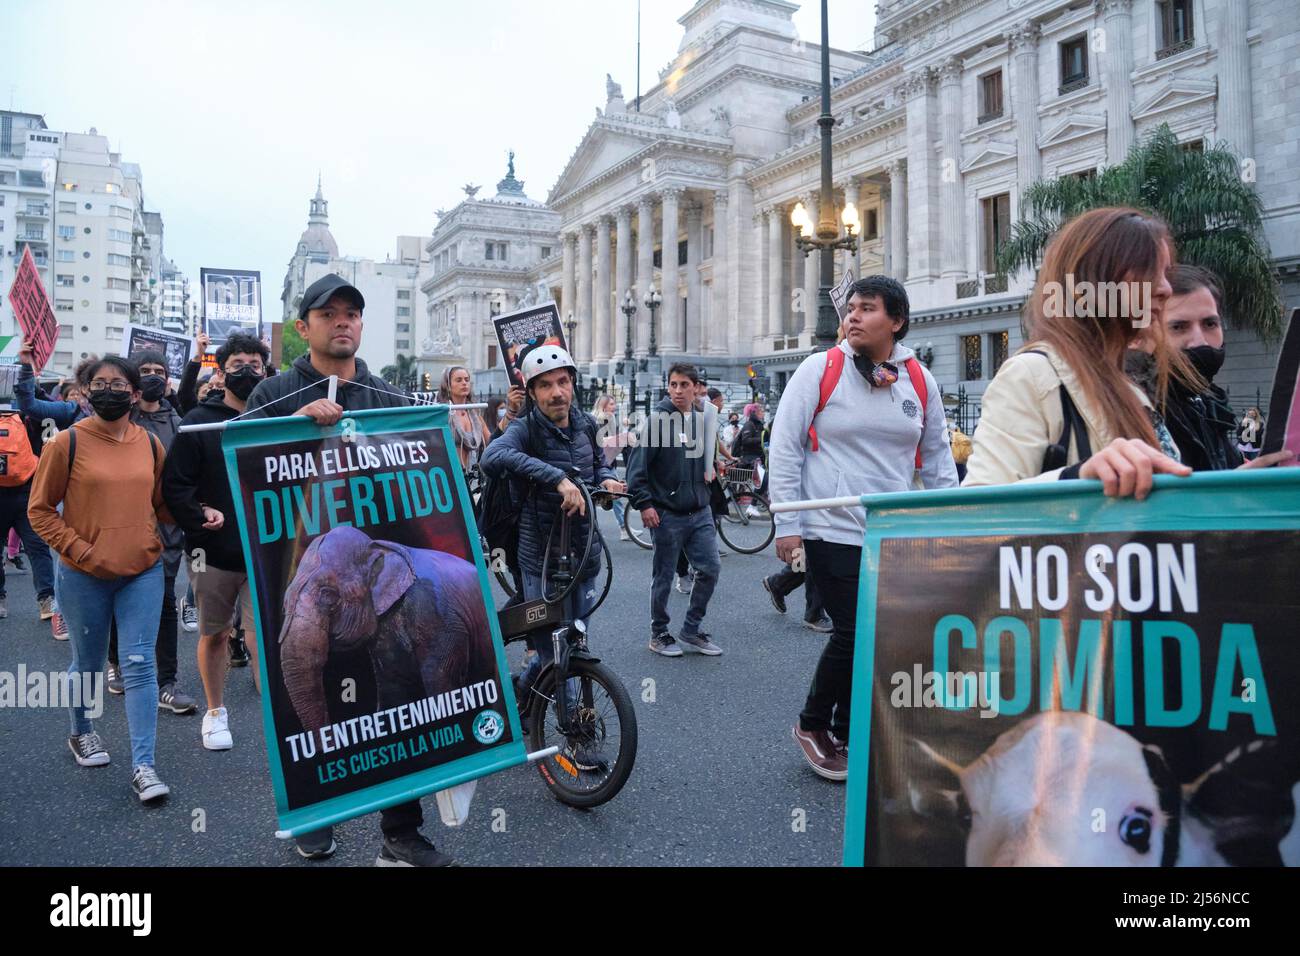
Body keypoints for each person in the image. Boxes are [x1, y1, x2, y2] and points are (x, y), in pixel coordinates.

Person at [243, 272, 451, 867]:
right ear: (303, 327)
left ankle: (401, 830)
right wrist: (288, 430)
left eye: (352, 313)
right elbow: (241, 464)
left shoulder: (384, 394)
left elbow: (416, 477)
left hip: (377, 576)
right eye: (328, 313)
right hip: (305, 580)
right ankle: (317, 812)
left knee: (400, 699)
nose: (343, 321)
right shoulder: (275, 394)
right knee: (307, 695)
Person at [769, 275, 958, 781]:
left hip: (891, 531)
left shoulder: (920, 380)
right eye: (849, 308)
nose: (851, 316)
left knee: (879, 636)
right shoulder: (820, 369)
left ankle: (851, 730)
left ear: (896, 321)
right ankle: (812, 725)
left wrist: (955, 524)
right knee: (854, 632)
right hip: (830, 526)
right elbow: (785, 446)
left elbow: (937, 458)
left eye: (867, 308)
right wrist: (786, 523)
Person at [964, 207, 1205, 494]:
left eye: (1166, 273)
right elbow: (982, 509)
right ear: (1097, 278)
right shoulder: (1032, 375)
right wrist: (1077, 478)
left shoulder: (1131, 387)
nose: (1165, 289)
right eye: (1149, 270)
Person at [28, 356, 173, 803]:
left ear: (134, 393)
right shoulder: (66, 444)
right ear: (87, 391)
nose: (109, 390)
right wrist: (81, 550)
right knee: (88, 665)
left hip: (142, 572)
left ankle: (144, 766)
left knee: (139, 663)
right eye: (99, 383)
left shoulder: (150, 445)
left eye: (119, 383)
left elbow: (163, 505)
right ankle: (81, 732)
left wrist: (201, 513)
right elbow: (38, 511)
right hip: (82, 575)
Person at [481, 346, 623, 696]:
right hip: (540, 560)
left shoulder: (587, 425)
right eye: (545, 385)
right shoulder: (525, 429)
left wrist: (606, 480)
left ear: (573, 383)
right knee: (554, 653)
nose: (557, 392)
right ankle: (574, 733)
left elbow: (599, 465)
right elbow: (491, 456)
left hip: (585, 553)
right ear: (531, 392)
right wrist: (556, 478)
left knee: (572, 640)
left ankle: (521, 696)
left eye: (563, 382)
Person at [163, 332, 270, 765]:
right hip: (215, 553)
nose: (246, 371)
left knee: (263, 634)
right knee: (214, 634)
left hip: (266, 549)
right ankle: (215, 711)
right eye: (238, 363)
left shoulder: (274, 418)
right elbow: (175, 485)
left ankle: (281, 721)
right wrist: (198, 514)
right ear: (221, 369)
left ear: (266, 370)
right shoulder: (199, 422)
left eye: (255, 364)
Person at [100, 351, 194, 714]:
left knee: (166, 605)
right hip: (121, 529)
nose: (153, 376)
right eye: (145, 371)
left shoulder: (179, 422)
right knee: (115, 602)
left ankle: (166, 683)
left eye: (159, 371)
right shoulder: (118, 419)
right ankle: (117, 664)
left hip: (166, 533)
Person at [1149, 265, 1293, 472]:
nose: (1199, 341)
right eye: (1178, 327)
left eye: (1209, 324)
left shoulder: (1209, 406)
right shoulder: (1140, 408)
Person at [626, 363, 723, 657]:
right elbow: (636, 469)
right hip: (667, 514)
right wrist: (644, 504)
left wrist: (713, 468)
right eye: (673, 384)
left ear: (696, 388)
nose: (678, 390)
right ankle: (659, 634)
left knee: (710, 569)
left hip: (700, 510)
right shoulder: (657, 422)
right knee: (664, 576)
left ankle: (691, 630)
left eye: (684, 385)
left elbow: (705, 457)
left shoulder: (702, 420)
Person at [590, 393, 630, 539]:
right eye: (612, 404)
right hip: (599, 464)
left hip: (609, 463)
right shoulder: (596, 421)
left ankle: (623, 528)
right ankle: (620, 528)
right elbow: (600, 442)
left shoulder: (611, 420)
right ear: (604, 405)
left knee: (616, 495)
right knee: (596, 497)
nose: (615, 406)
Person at [438, 366, 492, 470]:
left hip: (474, 477)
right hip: (452, 474)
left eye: (467, 380)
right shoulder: (444, 414)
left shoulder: (475, 413)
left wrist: (509, 415)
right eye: (459, 380)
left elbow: (491, 441)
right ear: (448, 386)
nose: (464, 383)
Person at [733, 403, 766, 516]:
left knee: (766, 479)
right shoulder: (749, 425)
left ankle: (758, 502)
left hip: (758, 457)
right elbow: (746, 441)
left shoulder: (759, 425)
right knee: (763, 479)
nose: (763, 412)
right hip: (749, 459)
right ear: (754, 412)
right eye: (761, 410)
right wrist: (761, 438)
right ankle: (753, 504)